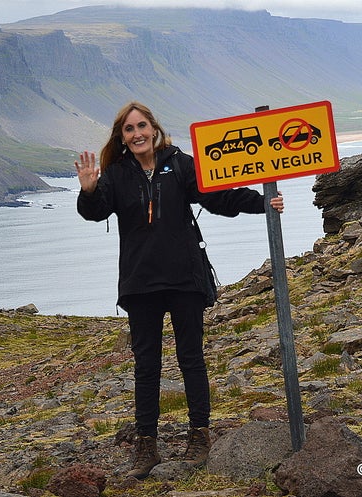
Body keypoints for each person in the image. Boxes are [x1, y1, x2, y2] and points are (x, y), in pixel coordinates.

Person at [75, 101, 284, 479]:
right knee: (147, 366)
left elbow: (217, 196)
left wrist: (262, 202)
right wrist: (88, 191)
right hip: (141, 285)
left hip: (185, 279)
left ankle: (199, 436)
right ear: (121, 137)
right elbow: (96, 210)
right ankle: (146, 447)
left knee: (191, 358)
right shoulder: (116, 174)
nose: (136, 134)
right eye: (128, 129)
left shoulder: (180, 163)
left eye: (141, 126)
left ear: (154, 129)